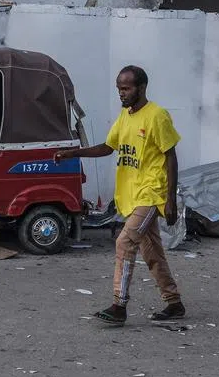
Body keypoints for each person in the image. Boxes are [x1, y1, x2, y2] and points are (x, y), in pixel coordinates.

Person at [55, 66, 184, 325]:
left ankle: (119, 306)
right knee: (152, 252)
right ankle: (174, 303)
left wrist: (170, 200)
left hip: (151, 194)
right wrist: (73, 153)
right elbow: (107, 146)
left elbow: (171, 156)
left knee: (124, 242)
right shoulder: (125, 116)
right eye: (119, 89)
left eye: (126, 88)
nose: (121, 94)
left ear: (141, 88)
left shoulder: (157, 116)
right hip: (132, 195)